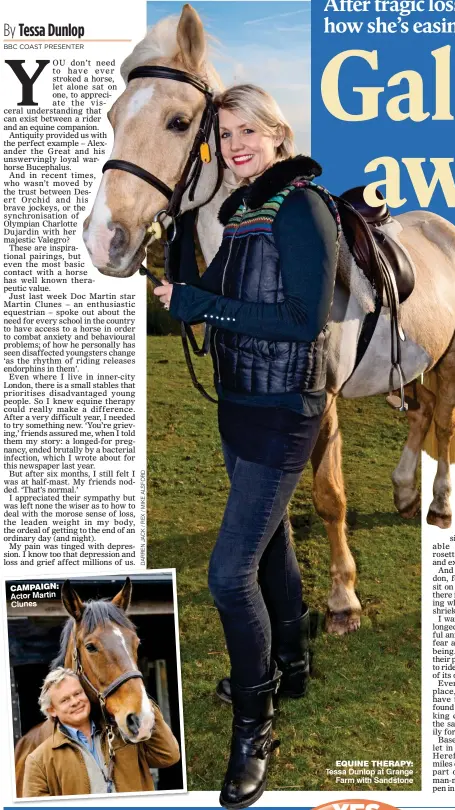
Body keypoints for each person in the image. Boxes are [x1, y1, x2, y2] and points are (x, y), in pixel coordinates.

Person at [154, 84, 339, 809]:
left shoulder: (301, 207)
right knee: (271, 547)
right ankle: (289, 663)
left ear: (277, 134)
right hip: (238, 403)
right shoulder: (239, 213)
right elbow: (225, 298)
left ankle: (254, 726)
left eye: (247, 131)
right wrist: (183, 272)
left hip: (284, 409)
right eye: (224, 133)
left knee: (229, 576)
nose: (234, 144)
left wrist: (202, 304)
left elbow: (300, 321)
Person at [22, 668, 180, 797]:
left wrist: (143, 705)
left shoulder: (123, 733)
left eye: (78, 693)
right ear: (52, 710)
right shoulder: (38, 761)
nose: (75, 702)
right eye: (65, 700)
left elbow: (168, 756)